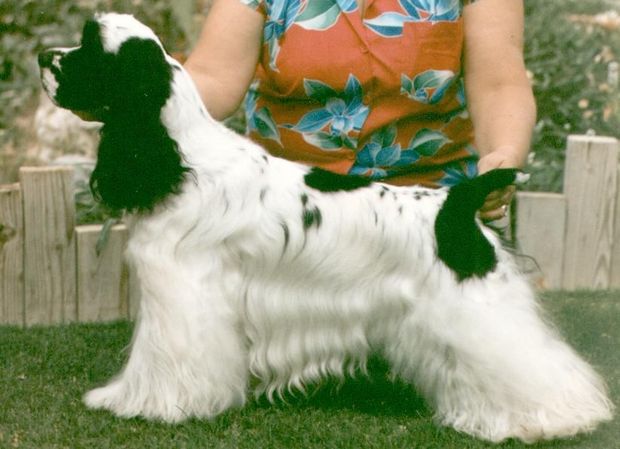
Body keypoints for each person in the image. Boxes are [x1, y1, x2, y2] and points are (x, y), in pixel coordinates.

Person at [184, 0, 536, 221]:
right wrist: (147, 97)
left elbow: (499, 84)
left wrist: (504, 152)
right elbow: (213, 76)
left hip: (429, 221)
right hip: (288, 220)